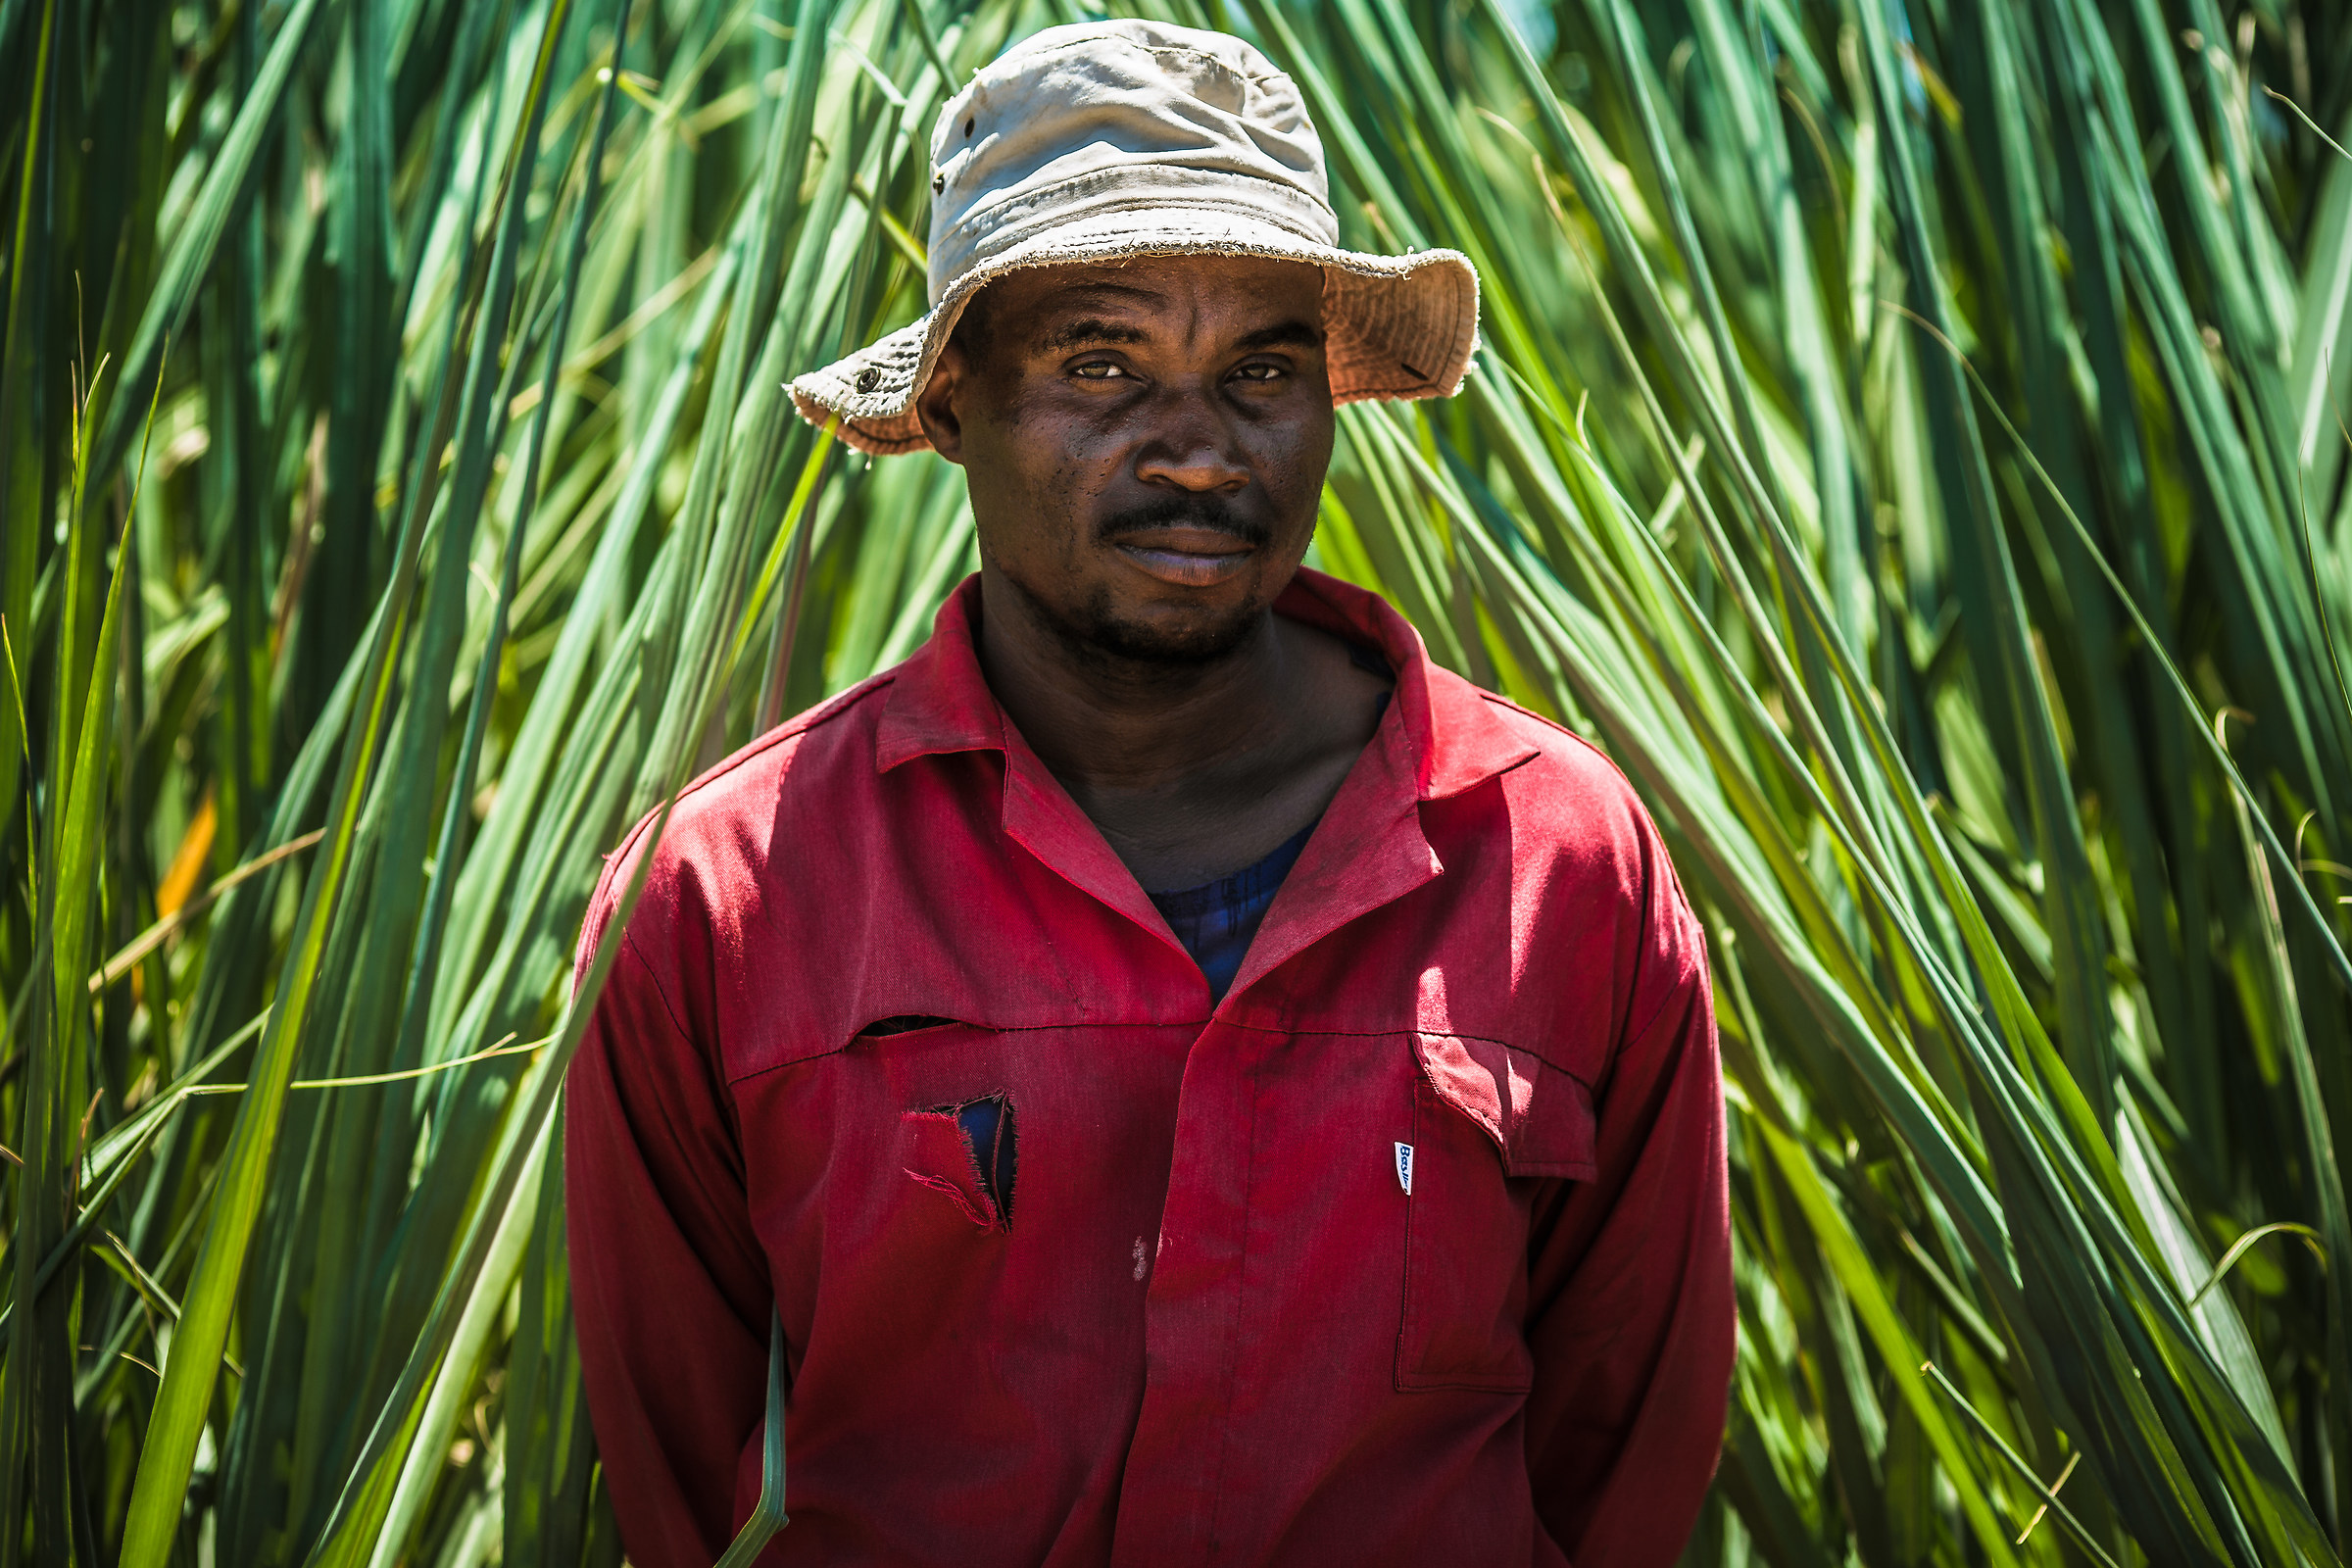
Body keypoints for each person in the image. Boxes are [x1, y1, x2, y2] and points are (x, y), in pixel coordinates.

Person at [564, 20, 1733, 1567]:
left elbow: (1620, 1462)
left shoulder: (1556, 860)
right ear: (953, 400)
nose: (1196, 450)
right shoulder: (727, 899)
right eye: (1101, 361)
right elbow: (678, 1481)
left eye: (1261, 368)